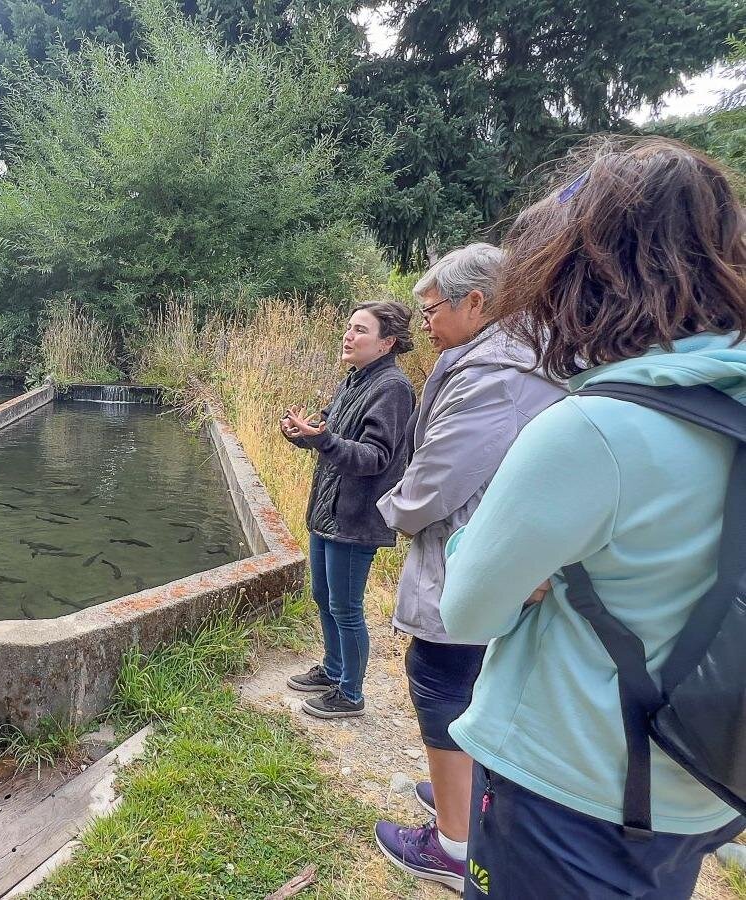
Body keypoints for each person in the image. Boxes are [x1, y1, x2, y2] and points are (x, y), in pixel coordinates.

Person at [440, 138, 746, 899]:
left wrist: (485, 553)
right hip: (701, 780)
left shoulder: (595, 430)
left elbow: (468, 611)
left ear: (579, 271)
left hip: (568, 791)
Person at [371, 244, 565, 890]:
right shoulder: (525, 354)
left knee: (439, 680)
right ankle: (468, 798)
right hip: (504, 559)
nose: (424, 323)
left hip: (469, 558)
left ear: (475, 301)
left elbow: (439, 476)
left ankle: (453, 845)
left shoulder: (496, 375)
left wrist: (394, 511)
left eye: (431, 310)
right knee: (478, 684)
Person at [281, 300, 416, 718]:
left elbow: (377, 457)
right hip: (328, 513)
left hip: (356, 520)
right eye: (349, 327)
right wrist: (301, 434)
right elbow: (328, 432)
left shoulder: (393, 387)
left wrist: (322, 440)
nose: (348, 335)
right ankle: (333, 669)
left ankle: (351, 694)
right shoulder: (354, 380)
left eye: (360, 330)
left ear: (386, 343)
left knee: (346, 607)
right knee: (324, 597)